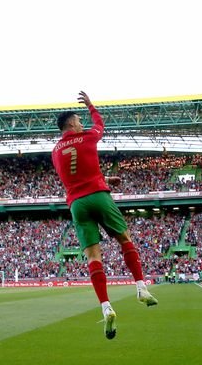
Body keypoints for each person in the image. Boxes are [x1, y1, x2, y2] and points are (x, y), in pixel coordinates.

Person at [52, 91, 158, 340]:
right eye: (78, 120)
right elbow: (100, 124)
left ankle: (106, 306)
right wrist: (90, 106)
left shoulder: (55, 151)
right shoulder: (87, 136)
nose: (82, 123)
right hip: (99, 196)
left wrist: (105, 178)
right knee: (125, 239)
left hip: (77, 203)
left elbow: (73, 176)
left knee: (93, 257)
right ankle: (141, 288)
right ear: (71, 124)